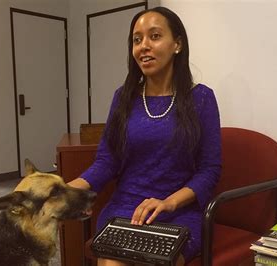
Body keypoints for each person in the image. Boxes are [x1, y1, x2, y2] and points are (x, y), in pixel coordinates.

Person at [68, 6, 221, 266]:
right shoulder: (123, 97)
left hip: (178, 212)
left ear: (177, 44)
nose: (143, 46)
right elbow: (107, 161)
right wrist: (65, 190)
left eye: (155, 36)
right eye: (137, 40)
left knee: (159, 260)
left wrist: (169, 202)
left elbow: (209, 170)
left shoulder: (201, 98)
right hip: (126, 208)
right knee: (113, 261)